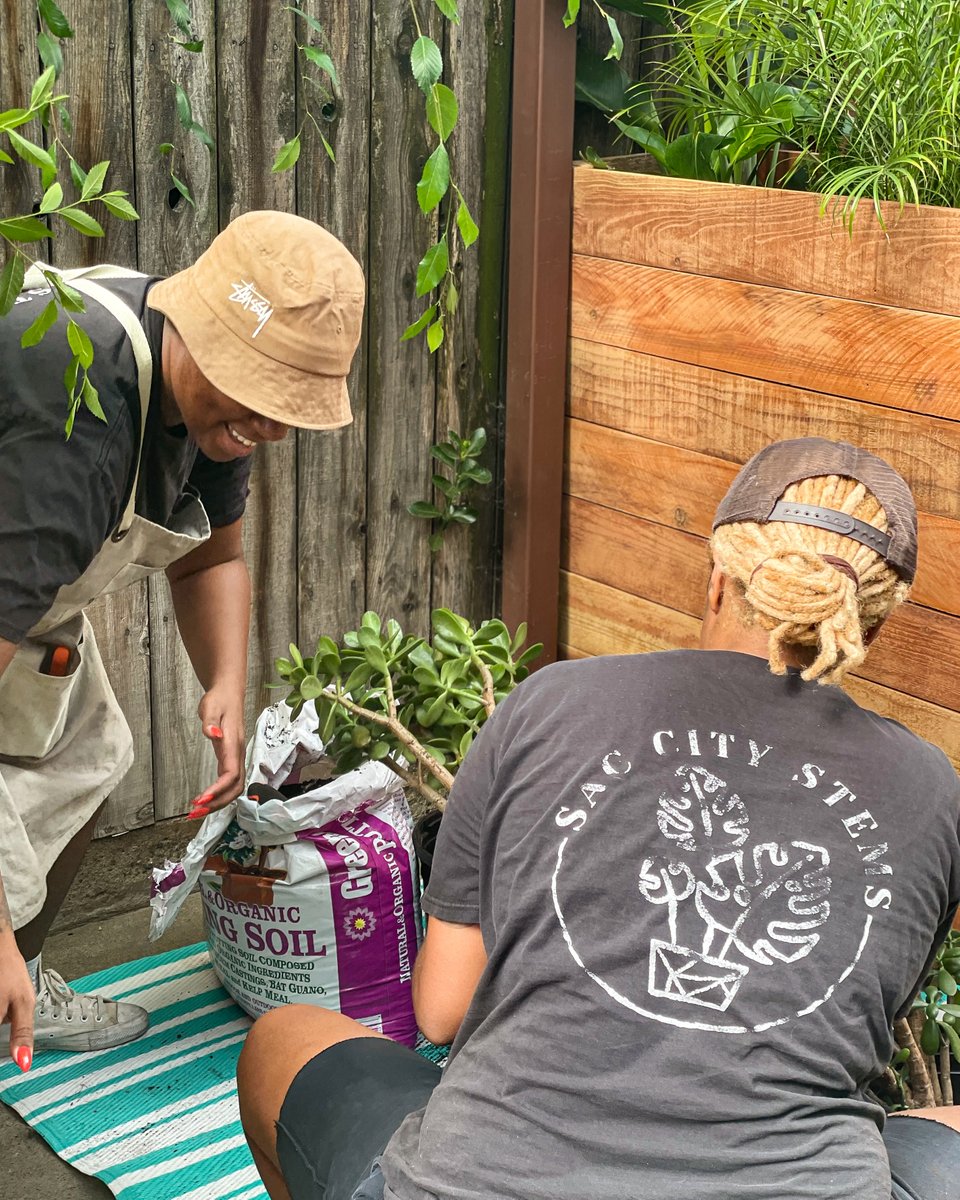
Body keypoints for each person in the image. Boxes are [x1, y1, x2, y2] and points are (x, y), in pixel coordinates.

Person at [237, 437, 960, 1200]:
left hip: (477, 1181)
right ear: (868, 632)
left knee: (282, 1041)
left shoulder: (550, 702)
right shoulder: (932, 787)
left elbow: (442, 1012)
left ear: (718, 580)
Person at [0, 212, 364, 1073]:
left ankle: (27, 980)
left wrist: (226, 686)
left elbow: (213, 555)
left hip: (24, 608)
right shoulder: (76, 427)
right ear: (198, 328)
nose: (268, 429)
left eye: (287, 410)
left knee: (91, 752)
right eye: (258, 398)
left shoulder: (212, 405)